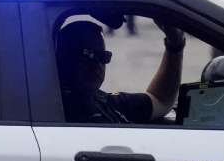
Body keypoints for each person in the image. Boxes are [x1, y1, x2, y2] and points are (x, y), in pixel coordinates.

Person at [55, 19, 186, 124]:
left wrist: (175, 46)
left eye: (103, 57)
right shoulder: (57, 110)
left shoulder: (103, 101)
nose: (97, 65)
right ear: (63, 58)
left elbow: (160, 101)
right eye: (87, 55)